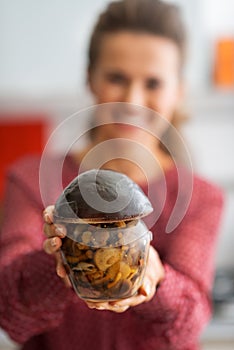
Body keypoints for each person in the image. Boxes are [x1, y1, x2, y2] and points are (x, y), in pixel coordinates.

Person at [0, 0, 224, 349]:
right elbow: (9, 308)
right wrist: (58, 261)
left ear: (177, 92)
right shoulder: (30, 179)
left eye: (153, 83)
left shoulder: (201, 197)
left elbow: (189, 323)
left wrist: (153, 275)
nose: (133, 99)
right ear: (90, 78)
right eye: (117, 77)